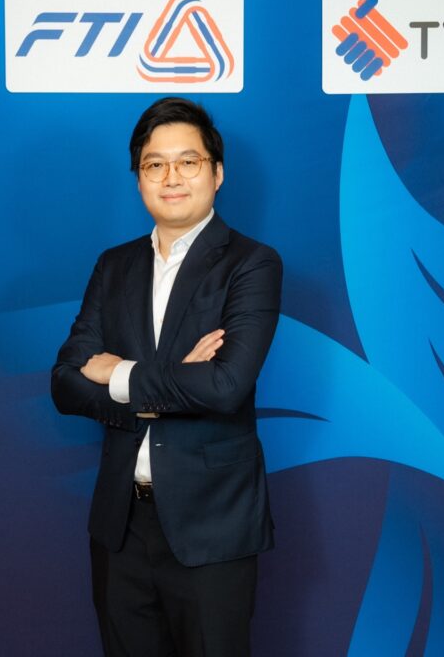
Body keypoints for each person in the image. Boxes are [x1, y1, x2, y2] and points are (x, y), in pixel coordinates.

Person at [51, 97, 282, 657]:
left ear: (217, 173)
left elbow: (225, 387)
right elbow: (65, 383)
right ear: (139, 178)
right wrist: (175, 383)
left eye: (188, 162)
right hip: (121, 526)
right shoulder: (114, 265)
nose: (171, 177)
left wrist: (119, 374)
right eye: (155, 165)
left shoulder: (251, 263)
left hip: (211, 526)